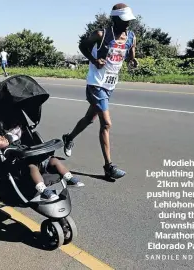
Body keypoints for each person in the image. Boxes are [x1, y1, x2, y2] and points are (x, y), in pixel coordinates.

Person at [61, 3, 138, 180]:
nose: (127, 24)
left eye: (129, 21)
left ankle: (69, 137)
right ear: (115, 19)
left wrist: (132, 61)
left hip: (110, 84)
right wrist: (94, 60)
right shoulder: (101, 35)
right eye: (124, 20)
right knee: (106, 123)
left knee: (90, 118)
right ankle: (108, 167)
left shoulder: (131, 37)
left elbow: (131, 53)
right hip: (95, 83)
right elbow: (82, 46)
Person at [0, 110, 85, 202]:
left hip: (36, 156)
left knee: (54, 160)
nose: (3, 139)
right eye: (1, 139)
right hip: (23, 165)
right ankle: (44, 191)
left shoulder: (20, 137)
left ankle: (69, 178)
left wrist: (17, 128)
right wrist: (1, 139)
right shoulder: (8, 150)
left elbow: (19, 130)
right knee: (32, 167)